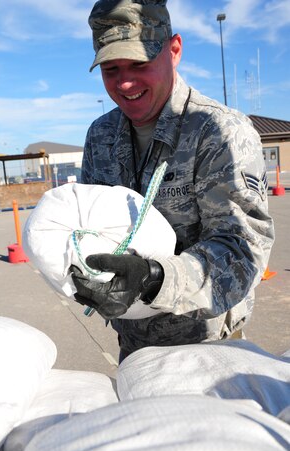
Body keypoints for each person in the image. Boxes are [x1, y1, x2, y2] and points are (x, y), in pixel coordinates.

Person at [71, 0, 274, 362]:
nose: (125, 82)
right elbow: (90, 225)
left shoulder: (219, 131)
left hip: (208, 346)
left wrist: (152, 278)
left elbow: (243, 252)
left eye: (139, 63)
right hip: (133, 345)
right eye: (110, 68)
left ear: (174, 50)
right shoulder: (100, 136)